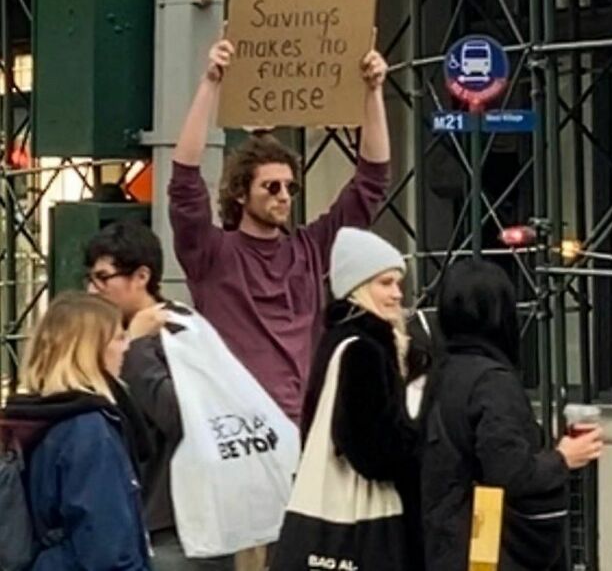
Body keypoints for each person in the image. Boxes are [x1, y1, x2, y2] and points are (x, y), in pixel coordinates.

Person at [169, 37, 391, 426]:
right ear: (240, 193)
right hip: (238, 429)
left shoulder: (308, 248)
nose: (284, 196)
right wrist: (210, 84)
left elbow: (371, 182)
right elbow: (185, 180)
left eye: (291, 187)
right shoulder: (212, 253)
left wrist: (373, 93)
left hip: (303, 423)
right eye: (271, 187)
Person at [422, 259, 603, 571]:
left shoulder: (438, 372)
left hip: (442, 542)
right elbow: (509, 470)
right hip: (487, 548)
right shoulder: (492, 380)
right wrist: (563, 458)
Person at [84, 220, 237, 570]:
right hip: (137, 520)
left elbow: (184, 416)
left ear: (141, 276)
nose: (94, 290)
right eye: (90, 277)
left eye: (104, 278)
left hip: (181, 526)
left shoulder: (181, 329)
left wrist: (136, 348)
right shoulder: (108, 333)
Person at [298, 227, 423, 571]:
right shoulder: (365, 350)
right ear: (357, 287)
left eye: (398, 283)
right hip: (368, 521)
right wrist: (421, 450)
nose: (397, 294)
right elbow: (372, 451)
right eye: (385, 283)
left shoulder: (336, 341)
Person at [0, 292, 151, 570]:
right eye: (119, 338)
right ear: (89, 349)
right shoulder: (88, 429)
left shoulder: (33, 418)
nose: (126, 347)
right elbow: (107, 548)